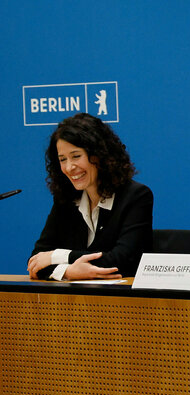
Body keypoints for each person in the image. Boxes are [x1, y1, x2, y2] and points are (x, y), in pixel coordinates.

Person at [27, 113, 153, 281]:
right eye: (62, 159)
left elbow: (122, 261)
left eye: (76, 156)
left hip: (123, 302)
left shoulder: (136, 196)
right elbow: (37, 261)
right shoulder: (65, 200)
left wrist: (58, 256)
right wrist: (70, 272)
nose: (69, 167)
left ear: (99, 155)